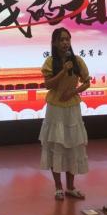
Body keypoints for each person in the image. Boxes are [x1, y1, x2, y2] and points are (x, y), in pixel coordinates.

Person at [39, 27, 91, 200]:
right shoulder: (50, 62)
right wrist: (63, 71)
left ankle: (71, 187)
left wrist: (73, 92)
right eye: (61, 40)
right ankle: (58, 188)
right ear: (54, 43)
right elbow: (48, 85)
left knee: (72, 144)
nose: (65, 43)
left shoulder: (77, 61)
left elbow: (87, 82)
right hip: (55, 107)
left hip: (72, 107)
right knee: (56, 144)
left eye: (67, 39)